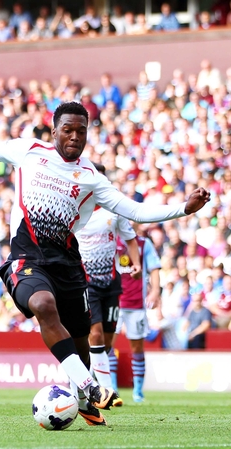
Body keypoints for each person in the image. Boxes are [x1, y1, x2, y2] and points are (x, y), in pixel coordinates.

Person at [0, 101, 210, 426]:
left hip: (68, 266)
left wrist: (184, 207)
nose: (74, 136)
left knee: (81, 344)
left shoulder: (91, 178)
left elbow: (135, 211)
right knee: (42, 304)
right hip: (26, 259)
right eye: (67, 129)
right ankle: (89, 386)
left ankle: (84, 402)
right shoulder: (29, 151)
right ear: (54, 130)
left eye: (81, 131)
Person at [75, 163, 141, 408]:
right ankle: (106, 390)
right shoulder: (77, 210)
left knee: (107, 342)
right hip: (86, 282)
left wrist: (136, 264)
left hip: (111, 282)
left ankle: (87, 382)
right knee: (95, 334)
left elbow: (131, 240)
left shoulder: (115, 210)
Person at [111, 227, 161, 403]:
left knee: (137, 348)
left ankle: (138, 392)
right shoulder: (110, 239)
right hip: (113, 300)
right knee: (107, 345)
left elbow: (154, 268)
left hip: (136, 303)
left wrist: (155, 291)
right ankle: (112, 389)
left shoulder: (144, 244)